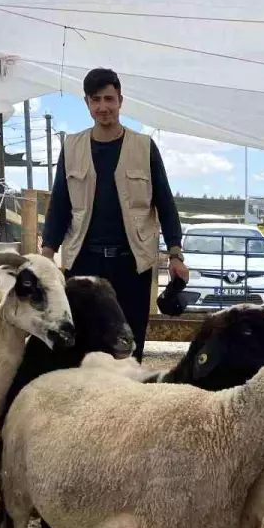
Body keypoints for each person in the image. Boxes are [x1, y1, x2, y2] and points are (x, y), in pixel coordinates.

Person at [41, 68, 187, 361]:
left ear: (121, 100)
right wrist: (45, 257)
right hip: (84, 261)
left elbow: (165, 203)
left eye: (109, 98)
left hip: (131, 264)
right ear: (87, 103)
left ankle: (127, 402)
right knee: (81, 340)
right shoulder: (71, 147)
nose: (103, 107)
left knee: (130, 342)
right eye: (96, 100)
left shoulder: (144, 147)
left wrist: (175, 255)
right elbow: (59, 205)